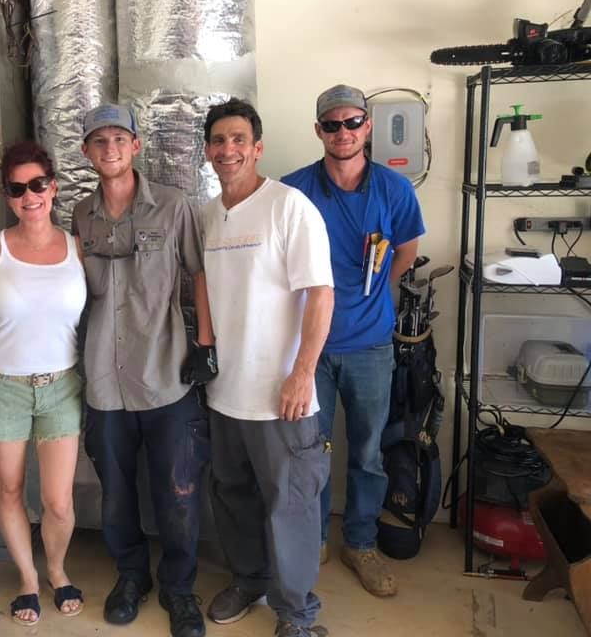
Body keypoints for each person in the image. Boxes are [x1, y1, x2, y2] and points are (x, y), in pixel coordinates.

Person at [71, 104, 218, 637]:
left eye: (119, 139)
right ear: (87, 152)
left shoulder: (173, 206)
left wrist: (205, 345)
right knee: (116, 492)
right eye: (98, 141)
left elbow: (199, 274)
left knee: (178, 491)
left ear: (135, 146)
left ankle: (179, 589)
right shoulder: (81, 216)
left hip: (166, 376)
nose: (109, 148)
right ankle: (131, 576)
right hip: (104, 382)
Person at [281, 84, 425, 598]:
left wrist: (373, 299)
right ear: (319, 130)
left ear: (367, 126)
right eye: (332, 124)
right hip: (308, 352)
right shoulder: (293, 191)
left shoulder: (394, 189)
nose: (343, 132)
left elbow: (404, 253)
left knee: (367, 453)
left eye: (352, 122)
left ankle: (359, 541)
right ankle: (314, 537)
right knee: (308, 451)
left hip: (370, 348)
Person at [199, 98, 333, 637]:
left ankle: (296, 613)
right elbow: (203, 283)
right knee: (232, 497)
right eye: (217, 141)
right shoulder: (209, 214)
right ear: (208, 151)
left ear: (257, 148)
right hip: (225, 391)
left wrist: (302, 373)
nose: (227, 150)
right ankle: (249, 578)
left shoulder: (289, 207)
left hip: (282, 396)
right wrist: (205, 350)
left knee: (291, 506)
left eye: (238, 140)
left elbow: (320, 294)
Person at [0, 141, 87, 627]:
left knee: (58, 500)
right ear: (7, 196)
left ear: (53, 187)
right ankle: (27, 579)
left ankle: (56, 569)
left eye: (38, 184)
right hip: (2, 384)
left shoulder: (78, 246)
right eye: (18, 189)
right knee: (10, 489)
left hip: (62, 384)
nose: (30, 195)